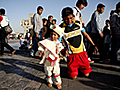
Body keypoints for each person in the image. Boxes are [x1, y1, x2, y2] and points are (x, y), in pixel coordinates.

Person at [60, 7, 96, 79]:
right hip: (72, 55)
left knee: (87, 75)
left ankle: (81, 68)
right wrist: (63, 50)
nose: (69, 20)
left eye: (71, 18)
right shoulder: (60, 28)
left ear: (73, 16)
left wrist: (93, 44)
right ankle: (75, 69)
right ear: (63, 18)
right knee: (73, 77)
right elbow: (58, 42)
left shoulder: (78, 24)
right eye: (67, 18)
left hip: (82, 53)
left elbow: (86, 35)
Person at [35, 25, 67, 89]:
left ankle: (57, 82)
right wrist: (41, 51)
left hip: (55, 60)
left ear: (58, 36)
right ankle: (49, 81)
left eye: (55, 35)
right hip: (47, 59)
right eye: (51, 34)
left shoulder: (58, 43)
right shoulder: (46, 41)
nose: (53, 36)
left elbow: (61, 49)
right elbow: (41, 46)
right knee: (48, 70)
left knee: (56, 71)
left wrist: (64, 52)